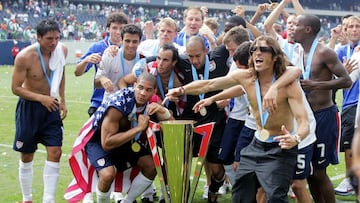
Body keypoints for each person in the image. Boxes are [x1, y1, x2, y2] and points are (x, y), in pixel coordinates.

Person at [166, 35, 309, 202]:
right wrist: (182, 90)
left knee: (275, 197)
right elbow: (209, 84)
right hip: (256, 144)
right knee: (241, 193)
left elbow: (303, 122)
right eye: (254, 50)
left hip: (280, 147)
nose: (257, 53)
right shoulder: (245, 77)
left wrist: (296, 138)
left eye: (263, 50)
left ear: (275, 56)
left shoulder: (288, 85)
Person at [84, 72, 173, 203]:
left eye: (148, 90)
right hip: (99, 141)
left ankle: (128, 201)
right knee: (107, 174)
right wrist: (138, 129)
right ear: (134, 85)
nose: (143, 93)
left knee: (152, 166)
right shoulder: (120, 102)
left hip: (126, 142)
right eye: (140, 87)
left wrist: (162, 111)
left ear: (154, 91)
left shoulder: (153, 101)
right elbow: (106, 143)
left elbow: (174, 124)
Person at [293, 14, 353, 203]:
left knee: (319, 172)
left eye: (297, 25)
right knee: (309, 172)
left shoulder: (324, 52)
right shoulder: (298, 52)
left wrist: (317, 85)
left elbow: (346, 80)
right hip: (306, 118)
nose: (293, 28)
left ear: (308, 30)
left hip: (324, 116)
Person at [11, 19, 68, 203]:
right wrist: (41, 98)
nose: (54, 43)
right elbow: (15, 88)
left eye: (57, 38)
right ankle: (27, 198)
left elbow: (62, 73)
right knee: (27, 154)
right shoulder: (24, 57)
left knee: (55, 151)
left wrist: (63, 100)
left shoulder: (62, 51)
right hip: (30, 108)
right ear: (38, 37)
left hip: (51, 106)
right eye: (49, 39)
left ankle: (48, 199)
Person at [74, 12, 128, 117]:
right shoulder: (98, 47)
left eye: (121, 28)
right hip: (99, 103)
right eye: (114, 28)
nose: (118, 32)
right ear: (108, 29)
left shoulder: (129, 48)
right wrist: (86, 61)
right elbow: (77, 72)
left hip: (122, 102)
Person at [334, 15, 360, 196]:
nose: (355, 29)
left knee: (352, 143)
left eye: (358, 26)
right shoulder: (341, 50)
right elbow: (338, 80)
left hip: (356, 102)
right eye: (351, 26)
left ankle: (351, 180)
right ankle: (350, 179)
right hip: (349, 101)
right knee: (349, 144)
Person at [95, 24, 143, 100]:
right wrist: (102, 79)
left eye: (134, 42)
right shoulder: (110, 55)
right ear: (121, 40)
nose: (131, 45)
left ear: (140, 42)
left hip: (135, 104)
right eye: (127, 41)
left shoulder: (143, 58)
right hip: (112, 102)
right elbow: (96, 83)